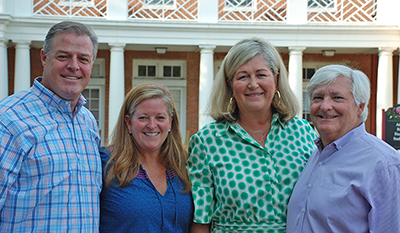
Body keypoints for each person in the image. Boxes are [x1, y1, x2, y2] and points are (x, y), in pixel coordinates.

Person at [187, 38, 318, 232]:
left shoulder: (304, 133)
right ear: (230, 84)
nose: (253, 84)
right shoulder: (207, 141)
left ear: (276, 79)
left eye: (261, 74)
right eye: (243, 77)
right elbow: (201, 220)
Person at [0, 21, 101, 231]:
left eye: (83, 59)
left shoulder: (88, 122)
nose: (74, 66)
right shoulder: (9, 119)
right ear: (44, 58)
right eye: (63, 56)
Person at [286, 64, 400, 232]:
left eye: (337, 97)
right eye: (318, 97)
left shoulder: (383, 165)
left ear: (360, 106)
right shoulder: (316, 154)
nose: (325, 106)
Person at [99, 82, 193, 232]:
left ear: (170, 122)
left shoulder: (185, 165)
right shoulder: (106, 163)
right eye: (143, 118)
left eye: (160, 118)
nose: (152, 125)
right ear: (129, 123)